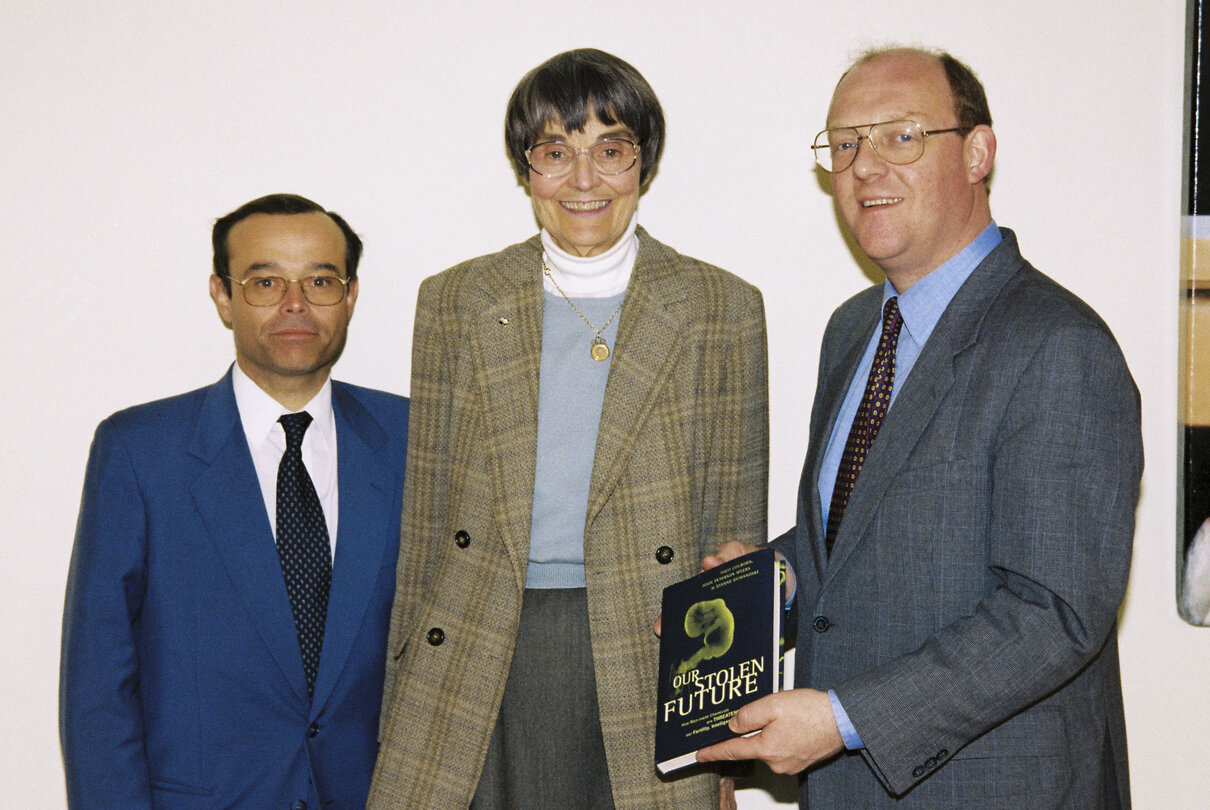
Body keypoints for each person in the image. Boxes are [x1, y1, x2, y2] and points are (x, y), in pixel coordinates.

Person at [696, 47, 1143, 808]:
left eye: (900, 136)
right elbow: (851, 538)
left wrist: (844, 719)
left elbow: (1053, 613)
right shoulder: (853, 331)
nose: (865, 167)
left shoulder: (1058, 346)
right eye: (844, 144)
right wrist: (768, 585)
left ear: (977, 152)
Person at [369, 48, 768, 809]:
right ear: (527, 171)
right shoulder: (455, 301)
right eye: (556, 153)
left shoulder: (721, 308)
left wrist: (723, 753)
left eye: (610, 151)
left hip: (649, 653)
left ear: (642, 166)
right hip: (478, 642)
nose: (584, 181)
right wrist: (400, 714)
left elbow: (731, 542)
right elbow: (424, 532)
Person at [59, 193, 409, 808]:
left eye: (321, 280)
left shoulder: (414, 441)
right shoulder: (140, 452)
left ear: (350, 297)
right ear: (222, 295)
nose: (295, 304)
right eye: (265, 281)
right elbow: (97, 690)